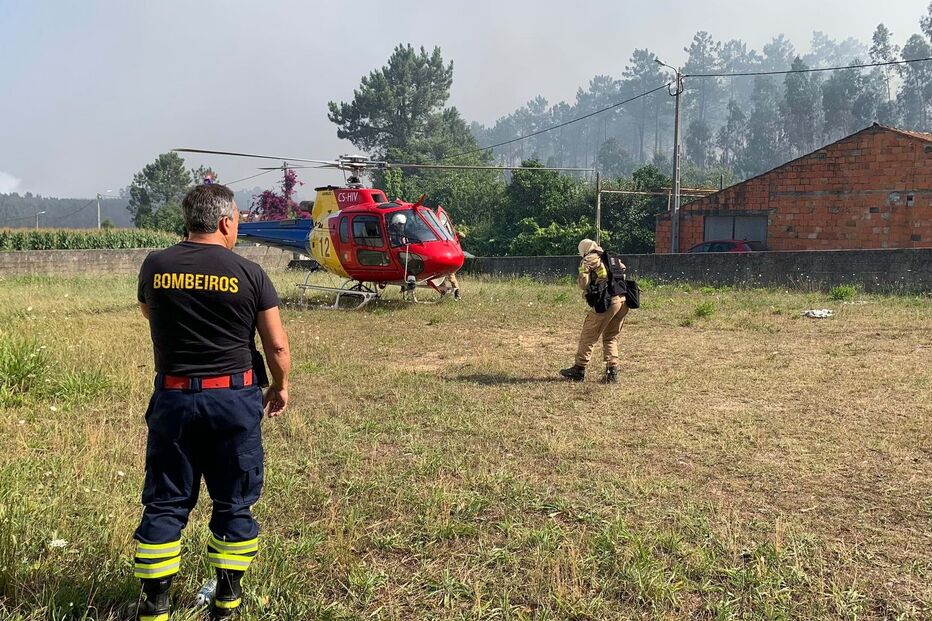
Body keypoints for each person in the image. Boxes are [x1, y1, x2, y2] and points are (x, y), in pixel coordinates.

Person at [133, 183, 291, 620]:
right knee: (234, 501)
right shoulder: (250, 272)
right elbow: (276, 346)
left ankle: (155, 605)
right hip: (233, 400)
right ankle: (226, 601)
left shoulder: (156, 265)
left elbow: (150, 312)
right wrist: (279, 386)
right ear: (225, 221)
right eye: (237, 220)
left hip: (174, 398)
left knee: (165, 501)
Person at [560, 238, 627, 384]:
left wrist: (590, 287)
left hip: (607, 301)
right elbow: (622, 270)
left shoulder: (589, 258)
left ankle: (579, 369)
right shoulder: (610, 256)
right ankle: (612, 373)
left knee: (588, 335)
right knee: (610, 337)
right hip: (623, 300)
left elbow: (583, 282)